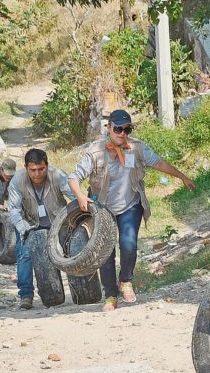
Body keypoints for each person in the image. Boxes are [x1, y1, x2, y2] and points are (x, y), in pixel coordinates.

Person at [68, 109, 196, 312]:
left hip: (130, 205)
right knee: (105, 254)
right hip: (103, 209)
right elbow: (74, 177)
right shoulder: (95, 151)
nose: (122, 133)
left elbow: (159, 163)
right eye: (118, 128)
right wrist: (80, 196)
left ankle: (126, 280)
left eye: (127, 129)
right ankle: (110, 296)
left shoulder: (136, 148)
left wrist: (182, 177)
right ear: (109, 128)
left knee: (128, 244)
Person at [8, 148, 76, 310]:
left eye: (41, 169)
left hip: (59, 222)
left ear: (47, 166)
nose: (37, 174)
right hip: (30, 224)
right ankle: (26, 295)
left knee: (72, 250)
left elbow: (74, 197)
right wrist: (23, 229)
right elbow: (14, 211)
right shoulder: (17, 181)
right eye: (33, 170)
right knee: (24, 254)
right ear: (26, 168)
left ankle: (79, 289)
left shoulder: (58, 175)